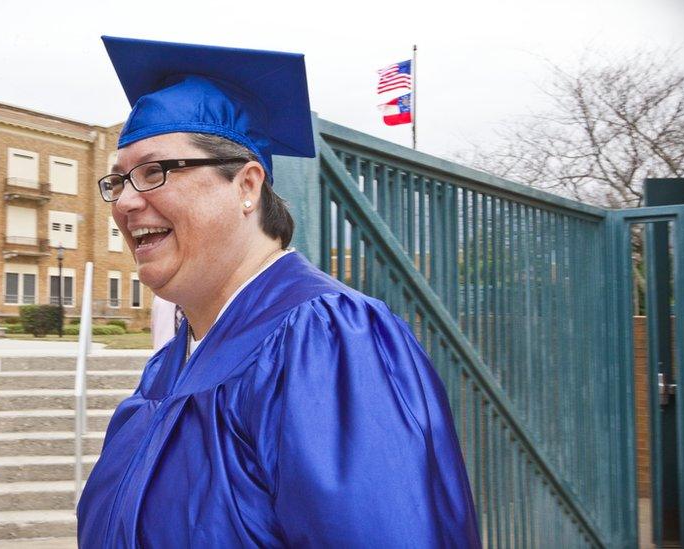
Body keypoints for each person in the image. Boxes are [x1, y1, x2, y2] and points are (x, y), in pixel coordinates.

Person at [77, 35, 480, 548]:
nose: (127, 202)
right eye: (117, 182)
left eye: (155, 172)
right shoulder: (169, 365)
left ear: (247, 186)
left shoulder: (327, 343)